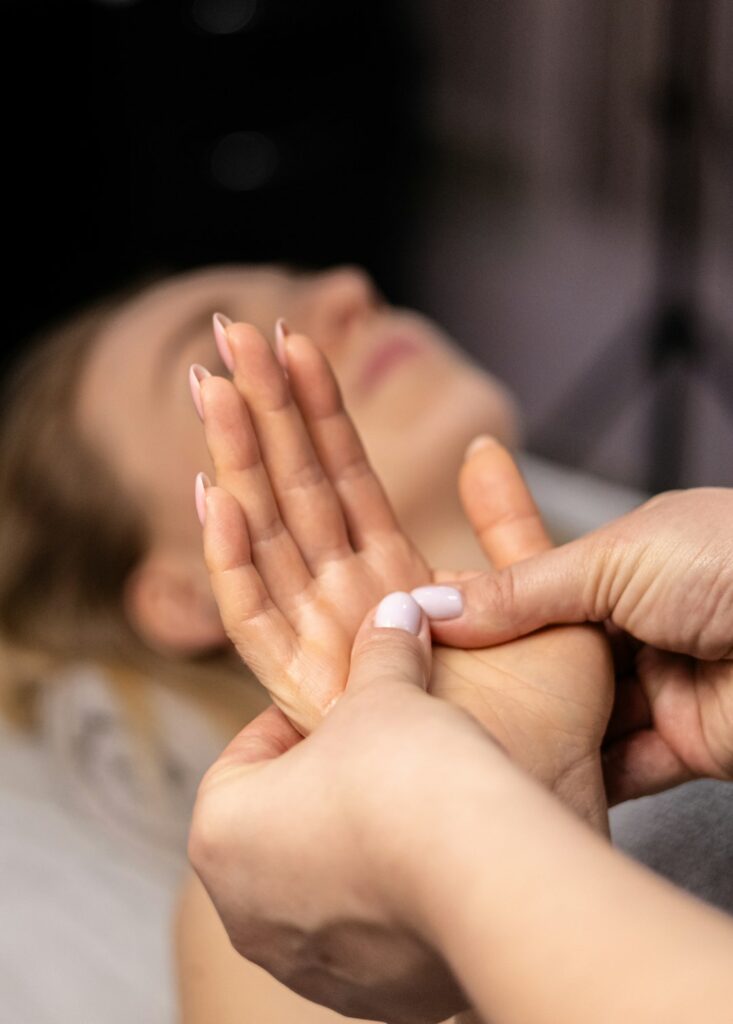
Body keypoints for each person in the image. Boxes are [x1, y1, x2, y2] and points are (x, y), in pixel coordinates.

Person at [186, 331, 733, 1019]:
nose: (344, 289)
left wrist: (455, 841)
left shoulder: (663, 622)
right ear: (176, 596)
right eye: (214, 360)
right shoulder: (275, 876)